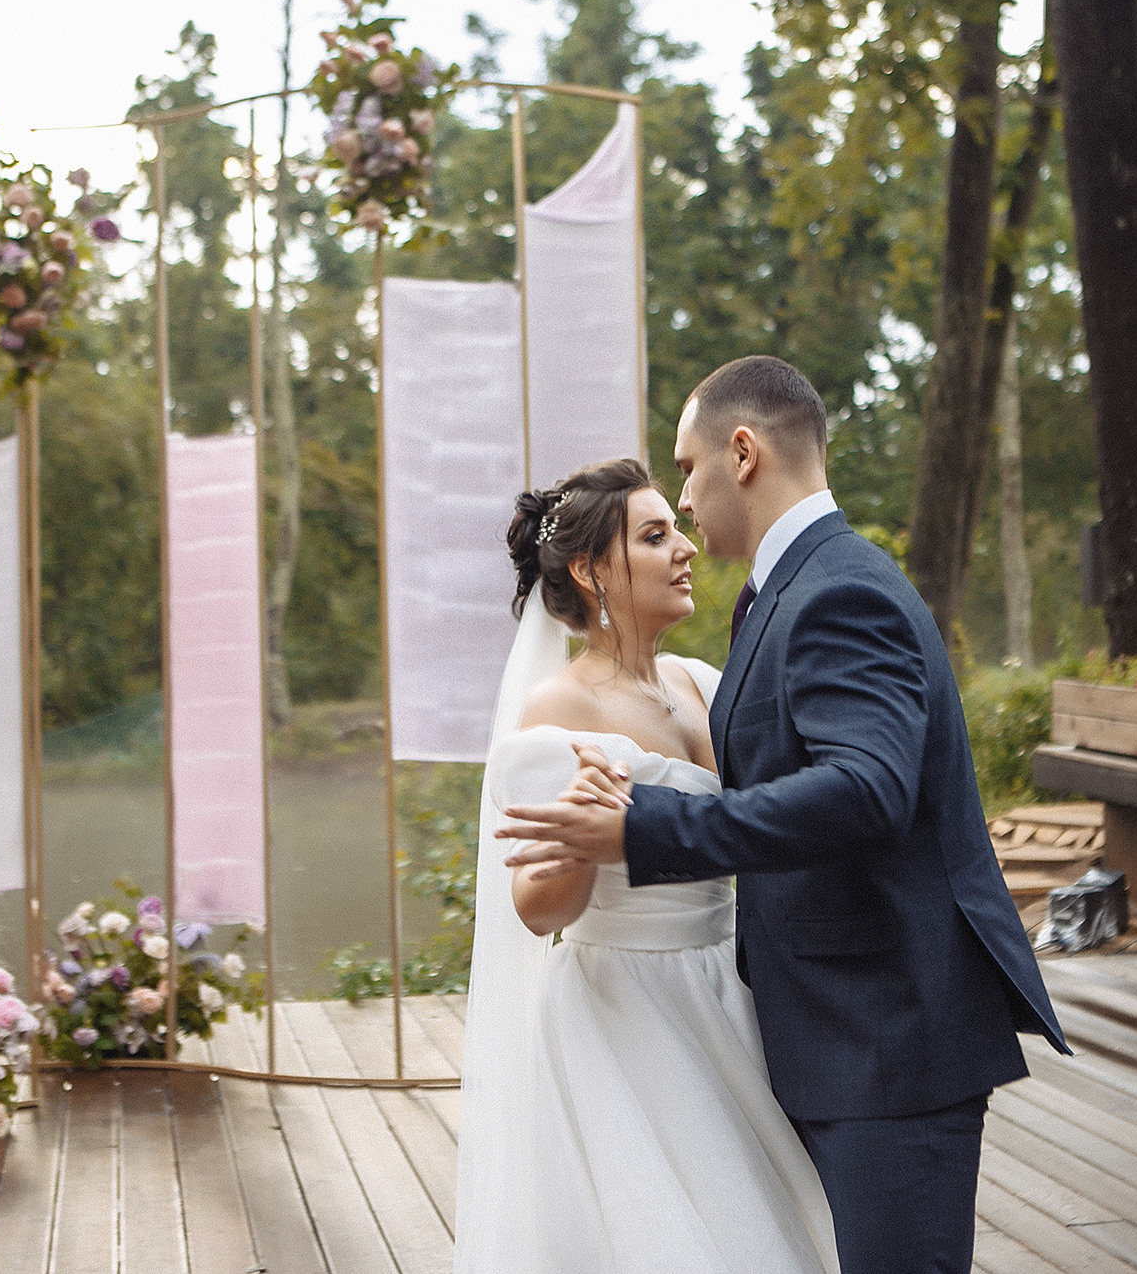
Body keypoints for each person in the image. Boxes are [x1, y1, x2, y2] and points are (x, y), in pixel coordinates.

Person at [500, 356, 1069, 1274]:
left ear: (743, 451)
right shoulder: (787, 593)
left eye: (686, 469)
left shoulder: (832, 590)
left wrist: (644, 829)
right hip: (780, 1031)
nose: (685, 505)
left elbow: (867, 790)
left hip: (883, 1036)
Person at [454, 456, 841, 1274]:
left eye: (676, 530)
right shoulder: (563, 708)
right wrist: (592, 834)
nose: (685, 549)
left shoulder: (701, 684)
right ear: (592, 570)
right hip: (626, 1010)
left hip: (729, 992)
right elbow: (538, 909)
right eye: (655, 536)